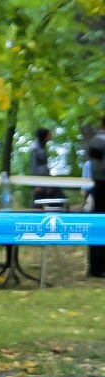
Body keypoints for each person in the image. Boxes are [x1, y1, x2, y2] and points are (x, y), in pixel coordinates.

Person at [87, 115, 105, 278]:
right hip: (102, 187)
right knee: (100, 224)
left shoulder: (95, 140)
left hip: (99, 186)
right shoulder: (101, 140)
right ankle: (97, 267)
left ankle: (96, 266)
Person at [29, 128, 63, 207]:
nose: (51, 136)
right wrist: (36, 185)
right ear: (45, 136)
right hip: (39, 181)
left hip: (45, 179)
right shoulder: (35, 148)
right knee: (37, 202)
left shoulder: (42, 146)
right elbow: (33, 166)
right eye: (49, 135)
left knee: (55, 197)